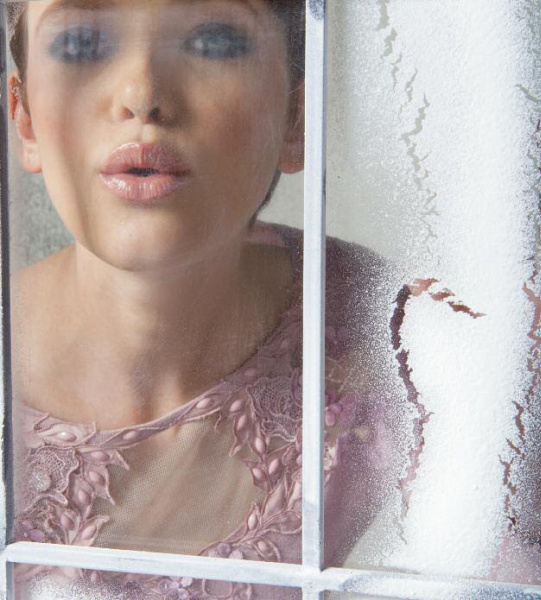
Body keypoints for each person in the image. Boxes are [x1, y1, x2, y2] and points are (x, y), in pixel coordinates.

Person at [7, 1, 397, 598]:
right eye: (82, 43)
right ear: (26, 118)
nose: (141, 95)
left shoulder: (402, 341)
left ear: (297, 117)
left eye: (214, 41)